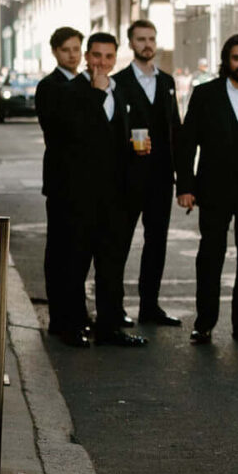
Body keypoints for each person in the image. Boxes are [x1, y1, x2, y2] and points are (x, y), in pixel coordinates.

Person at [176, 31, 238, 344]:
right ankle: (204, 323)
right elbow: (187, 142)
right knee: (210, 257)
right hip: (214, 190)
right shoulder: (204, 94)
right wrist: (185, 186)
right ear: (226, 61)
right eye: (237, 58)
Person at [78, 33, 148, 346]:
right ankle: (73, 325)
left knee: (112, 265)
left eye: (108, 57)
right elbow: (79, 135)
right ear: (86, 56)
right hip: (83, 195)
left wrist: (139, 149)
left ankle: (109, 326)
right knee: (77, 263)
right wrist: (95, 94)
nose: (101, 63)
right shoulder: (76, 91)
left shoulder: (119, 92)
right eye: (96, 56)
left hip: (117, 195)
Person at [113, 17, 183, 326]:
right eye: (141, 39)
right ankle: (114, 307)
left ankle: (150, 306)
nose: (147, 45)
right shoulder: (118, 83)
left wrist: (184, 181)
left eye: (151, 39)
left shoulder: (167, 82)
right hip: (128, 177)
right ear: (131, 44)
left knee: (157, 242)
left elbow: (175, 130)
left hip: (161, 177)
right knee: (120, 241)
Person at [35, 25, 94, 343]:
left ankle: (78, 312)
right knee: (61, 250)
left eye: (76, 49)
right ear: (55, 52)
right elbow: (61, 127)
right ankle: (62, 318)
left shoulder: (85, 83)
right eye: (66, 50)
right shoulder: (50, 86)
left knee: (81, 251)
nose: (72, 55)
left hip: (87, 182)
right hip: (61, 180)